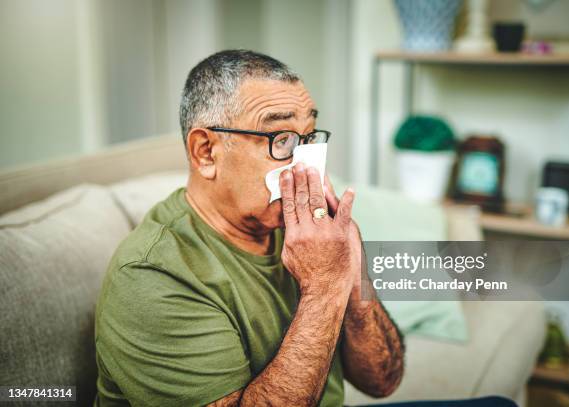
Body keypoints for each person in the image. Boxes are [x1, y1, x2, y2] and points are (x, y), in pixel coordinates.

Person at [94, 49, 404, 406]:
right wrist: (323, 289)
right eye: (282, 140)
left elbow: (384, 380)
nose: (307, 166)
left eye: (308, 139)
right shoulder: (151, 276)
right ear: (206, 152)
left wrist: (352, 277)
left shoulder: (308, 235)